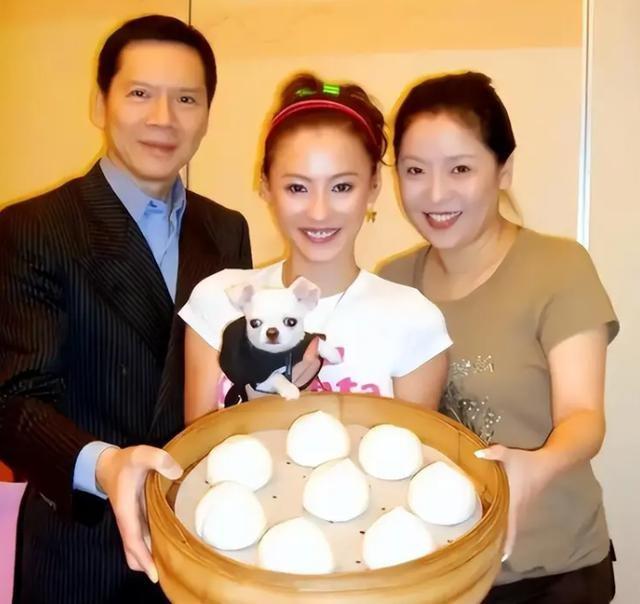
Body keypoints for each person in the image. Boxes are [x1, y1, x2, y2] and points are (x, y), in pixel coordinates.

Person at [0, 15, 251, 604]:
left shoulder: (226, 229)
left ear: (207, 114)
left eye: (186, 99)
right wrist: (106, 467)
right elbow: (13, 404)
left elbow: (230, 381)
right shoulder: (32, 228)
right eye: (140, 93)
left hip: (206, 541)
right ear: (100, 103)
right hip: (81, 550)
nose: (163, 118)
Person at [378, 71, 618, 604]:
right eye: (415, 170)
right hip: (435, 572)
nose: (435, 193)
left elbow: (583, 415)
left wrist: (537, 465)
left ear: (504, 170)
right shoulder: (391, 283)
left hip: (551, 573)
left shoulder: (559, 268)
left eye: (460, 168)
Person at [179, 73, 451, 423]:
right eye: (297, 188)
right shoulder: (221, 299)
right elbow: (197, 446)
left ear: (373, 186)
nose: (319, 212)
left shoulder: (412, 319)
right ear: (265, 185)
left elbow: (411, 452)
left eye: (341, 187)